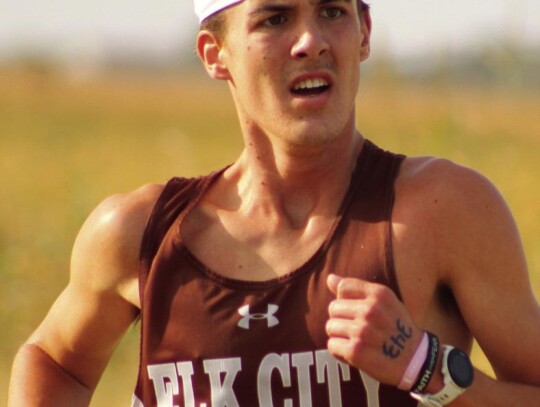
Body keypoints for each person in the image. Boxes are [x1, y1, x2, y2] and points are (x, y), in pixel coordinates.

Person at [8, 0, 540, 406]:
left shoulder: (443, 210)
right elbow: (55, 362)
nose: (310, 40)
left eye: (332, 11)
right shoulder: (141, 234)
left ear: (364, 32)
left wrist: (425, 368)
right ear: (215, 55)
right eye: (274, 19)